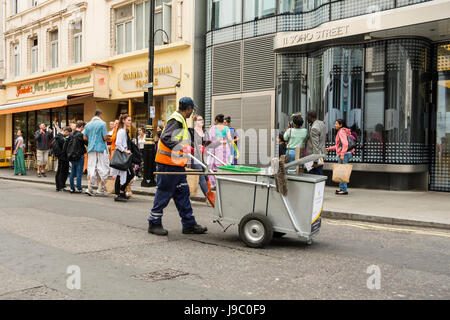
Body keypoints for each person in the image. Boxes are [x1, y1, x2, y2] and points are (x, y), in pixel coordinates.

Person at [147, 97, 208, 236]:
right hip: (168, 164)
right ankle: (154, 222)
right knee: (164, 192)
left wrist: (190, 148)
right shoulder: (176, 119)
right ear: (188, 109)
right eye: (192, 109)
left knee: (183, 193)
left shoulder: (180, 119)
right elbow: (166, 137)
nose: (192, 112)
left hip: (176, 165)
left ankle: (189, 224)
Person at [83, 110, 109, 196]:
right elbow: (105, 137)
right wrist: (107, 138)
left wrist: (92, 139)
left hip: (91, 148)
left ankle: (89, 187)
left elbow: (85, 137)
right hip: (101, 148)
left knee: (91, 167)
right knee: (103, 167)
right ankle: (100, 188)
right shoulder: (102, 124)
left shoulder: (88, 125)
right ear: (100, 115)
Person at [326, 118, 355, 195]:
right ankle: (342, 188)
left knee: (342, 171)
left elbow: (345, 144)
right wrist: (330, 148)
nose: (335, 125)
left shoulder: (341, 131)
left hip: (344, 154)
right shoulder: (345, 131)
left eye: (336, 124)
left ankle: (344, 190)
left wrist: (342, 154)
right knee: (342, 171)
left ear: (340, 125)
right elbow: (339, 145)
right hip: (347, 153)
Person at [111, 114, 135, 202]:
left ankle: (121, 191)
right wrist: (125, 151)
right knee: (121, 175)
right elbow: (118, 144)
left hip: (125, 156)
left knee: (128, 174)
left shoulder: (125, 130)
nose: (130, 122)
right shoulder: (121, 131)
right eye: (128, 120)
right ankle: (118, 194)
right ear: (123, 120)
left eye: (130, 120)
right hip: (122, 156)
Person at [188, 114, 212, 197]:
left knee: (206, 176)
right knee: (201, 176)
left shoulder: (205, 132)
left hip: (204, 157)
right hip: (195, 157)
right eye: (199, 119)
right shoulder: (191, 131)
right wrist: (197, 146)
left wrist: (206, 147)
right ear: (195, 122)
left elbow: (208, 143)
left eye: (202, 119)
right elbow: (188, 142)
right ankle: (208, 197)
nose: (202, 121)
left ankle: (210, 195)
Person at [207, 114, 233, 188]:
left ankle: (213, 183)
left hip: (216, 148)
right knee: (223, 165)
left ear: (216, 121)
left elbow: (209, 139)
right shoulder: (226, 128)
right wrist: (230, 150)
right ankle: (223, 183)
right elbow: (230, 139)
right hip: (224, 148)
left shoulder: (213, 128)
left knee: (213, 166)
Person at [67, 121, 87, 193]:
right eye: (83, 127)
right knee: (79, 172)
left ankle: (72, 188)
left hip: (71, 155)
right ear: (81, 127)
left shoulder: (71, 134)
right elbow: (86, 143)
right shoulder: (81, 135)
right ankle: (79, 188)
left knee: (72, 172)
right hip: (79, 155)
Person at [306, 110, 326, 175]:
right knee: (319, 177)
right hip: (321, 155)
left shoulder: (314, 128)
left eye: (307, 116)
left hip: (315, 157)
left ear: (310, 117)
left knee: (315, 177)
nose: (306, 118)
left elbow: (315, 145)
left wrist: (315, 161)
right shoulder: (321, 123)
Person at [53, 126, 72, 191]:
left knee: (61, 171)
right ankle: (60, 186)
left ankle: (60, 186)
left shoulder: (58, 136)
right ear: (66, 131)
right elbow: (65, 144)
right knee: (62, 171)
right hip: (62, 156)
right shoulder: (60, 137)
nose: (68, 135)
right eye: (68, 134)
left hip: (60, 156)